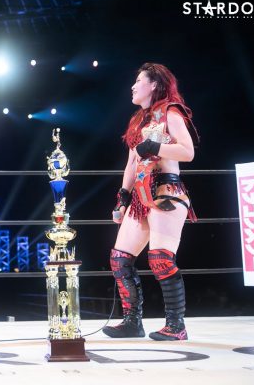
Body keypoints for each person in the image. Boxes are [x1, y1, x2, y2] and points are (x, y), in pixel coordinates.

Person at [104, 63, 199, 341]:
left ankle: (176, 326)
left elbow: (187, 151)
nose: (133, 86)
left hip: (166, 191)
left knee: (160, 259)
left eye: (138, 81)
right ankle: (132, 322)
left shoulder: (170, 112)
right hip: (140, 196)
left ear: (154, 84)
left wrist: (156, 147)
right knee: (120, 258)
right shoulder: (138, 120)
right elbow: (131, 163)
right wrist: (122, 197)